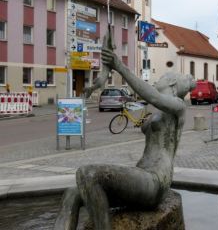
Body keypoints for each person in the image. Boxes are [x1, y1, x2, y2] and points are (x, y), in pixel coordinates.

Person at [54, 48, 195, 230]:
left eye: (160, 78)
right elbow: (147, 98)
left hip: (155, 180)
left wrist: (120, 66)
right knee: (72, 194)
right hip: (141, 176)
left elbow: (151, 95)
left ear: (172, 83)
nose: (155, 80)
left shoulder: (178, 106)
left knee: (87, 174)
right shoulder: (157, 111)